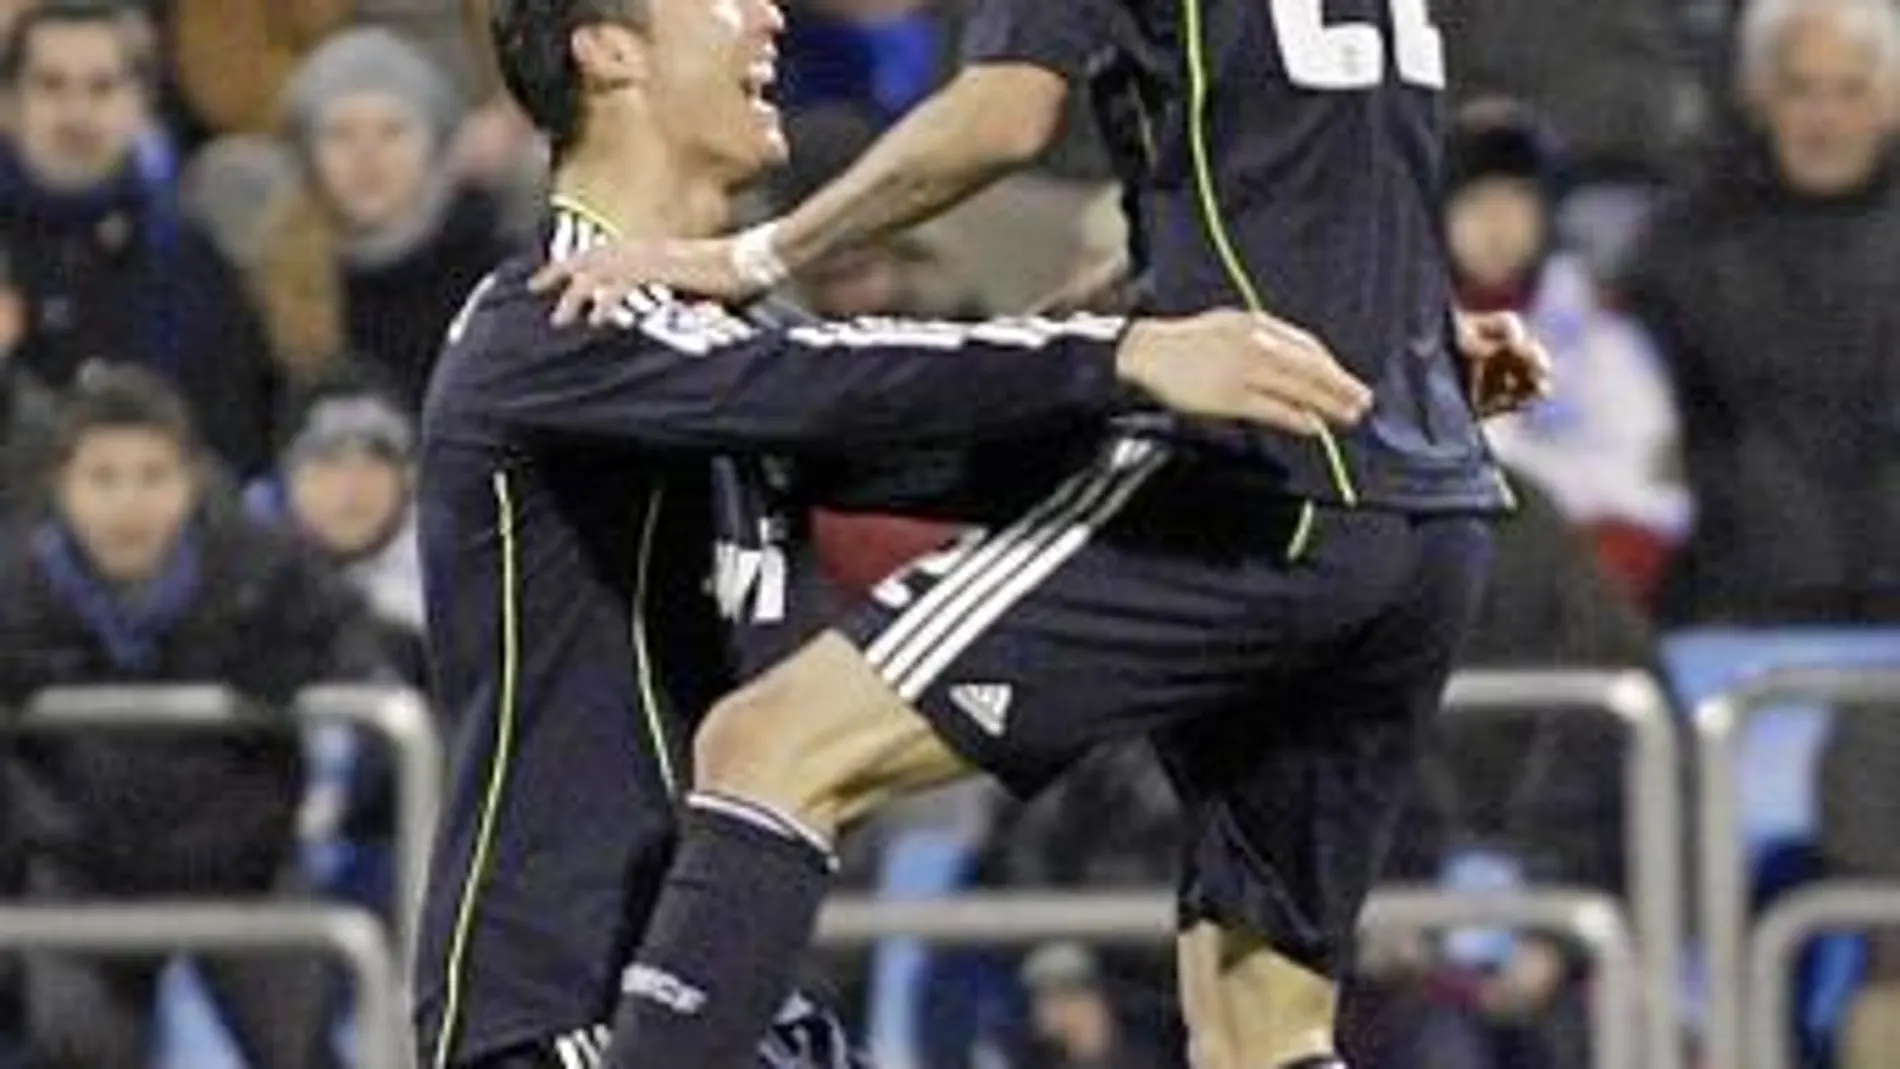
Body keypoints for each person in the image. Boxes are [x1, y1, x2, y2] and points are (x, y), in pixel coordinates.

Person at [562, 1, 1549, 1068]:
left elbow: (1002, 116)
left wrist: (758, 254)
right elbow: (1327, 176)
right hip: (1424, 503)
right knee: (1260, 1031)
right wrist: (1414, 342)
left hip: (1254, 482)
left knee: (768, 744)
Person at [0, 366, 386, 1069]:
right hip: (81, 875)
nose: (129, 503)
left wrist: (294, 665)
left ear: (189, 478)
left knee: (301, 1044)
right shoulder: (15, 586)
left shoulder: (258, 564)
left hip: (244, 863)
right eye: (104, 476)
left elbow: (359, 646)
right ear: (62, 483)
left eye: (153, 475)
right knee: (74, 1045)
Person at [1625, 0, 1900, 624]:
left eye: (1851, 90)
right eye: (1801, 89)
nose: (1825, 119)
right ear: (1758, 94)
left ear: (1891, 103)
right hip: (1737, 600)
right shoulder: (1682, 247)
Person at [0, 0, 279, 477]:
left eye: (102, 87)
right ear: (9, 101)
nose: (77, 111)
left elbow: (233, 446)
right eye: (51, 85)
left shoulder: (191, 263)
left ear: (141, 103)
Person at [1442, 99, 1689, 605]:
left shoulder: (1602, 337)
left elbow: (1652, 500)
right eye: (1475, 204)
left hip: (1574, 605)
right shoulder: (1397, 337)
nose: (1496, 225)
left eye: (1515, 202)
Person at [257, 28, 513, 409]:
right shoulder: (274, 273)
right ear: (308, 154)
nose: (367, 157)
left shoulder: (495, 276)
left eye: (392, 131)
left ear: (436, 146)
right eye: (341, 134)